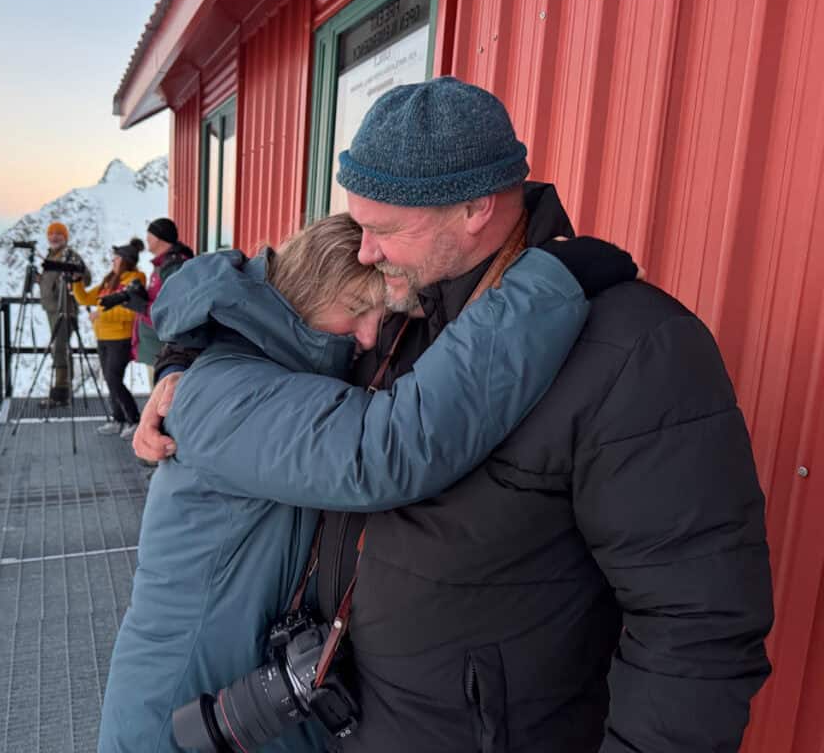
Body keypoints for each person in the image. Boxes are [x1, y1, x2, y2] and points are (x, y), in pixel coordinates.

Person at [137, 77, 774, 752]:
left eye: (382, 230)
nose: (365, 252)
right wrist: (181, 356)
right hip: (348, 727)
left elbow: (697, 627)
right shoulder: (397, 312)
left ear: (474, 208)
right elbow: (270, 304)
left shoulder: (637, 349)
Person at [98, 212, 638, 753]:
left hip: (246, 708)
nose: (366, 336)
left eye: (377, 315)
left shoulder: (255, 364)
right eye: (357, 311)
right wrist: (542, 288)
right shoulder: (227, 395)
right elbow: (384, 450)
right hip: (179, 718)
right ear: (310, 291)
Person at [72, 239, 145, 439]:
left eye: (116, 258)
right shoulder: (109, 280)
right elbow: (86, 299)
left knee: (113, 379)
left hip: (120, 338)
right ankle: (118, 419)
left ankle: (134, 420)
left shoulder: (135, 280)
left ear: (125, 261)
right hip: (103, 337)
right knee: (110, 380)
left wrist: (101, 314)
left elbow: (131, 313)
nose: (113, 261)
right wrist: (76, 282)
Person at [124, 218, 194, 386]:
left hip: (165, 350)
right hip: (158, 348)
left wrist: (142, 306)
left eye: (150, 233)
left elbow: (176, 310)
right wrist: (142, 296)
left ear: (159, 237)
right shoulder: (163, 265)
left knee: (162, 403)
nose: (146, 237)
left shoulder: (174, 266)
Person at [38, 221, 91, 407]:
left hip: (66, 309)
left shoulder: (70, 255)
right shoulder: (51, 255)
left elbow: (87, 277)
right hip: (52, 308)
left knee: (59, 348)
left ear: (65, 237)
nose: (54, 237)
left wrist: (76, 278)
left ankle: (61, 393)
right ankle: (62, 390)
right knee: (59, 347)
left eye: (58, 234)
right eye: (51, 234)